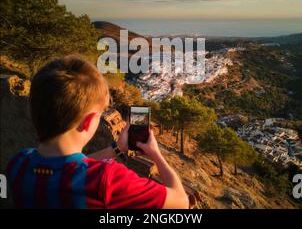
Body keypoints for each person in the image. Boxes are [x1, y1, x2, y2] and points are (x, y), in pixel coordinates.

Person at [7, 55, 189, 209]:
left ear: (32, 111)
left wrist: (118, 149)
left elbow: (70, 168)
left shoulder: (19, 164)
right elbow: (181, 201)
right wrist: (156, 155)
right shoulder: (108, 180)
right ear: (88, 122)